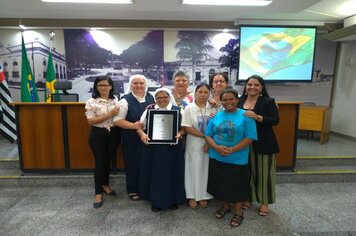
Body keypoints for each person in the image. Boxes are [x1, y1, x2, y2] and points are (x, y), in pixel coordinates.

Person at [204, 89, 257, 227]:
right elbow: (208, 135)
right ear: (221, 102)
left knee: (236, 187)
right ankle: (225, 206)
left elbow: (250, 137)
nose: (228, 102)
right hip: (217, 156)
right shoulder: (216, 116)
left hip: (237, 159)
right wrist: (216, 148)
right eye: (225, 100)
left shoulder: (246, 116)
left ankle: (239, 213)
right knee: (220, 184)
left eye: (231, 99)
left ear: (237, 99)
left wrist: (232, 149)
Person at [137, 88, 186, 212]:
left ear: (169, 97)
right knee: (156, 174)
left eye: (165, 97)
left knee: (172, 173)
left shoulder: (178, 110)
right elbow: (139, 126)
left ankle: (173, 200)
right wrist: (143, 135)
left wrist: (180, 134)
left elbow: (185, 128)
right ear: (155, 99)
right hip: (154, 149)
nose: (162, 99)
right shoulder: (149, 110)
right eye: (158, 97)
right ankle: (156, 200)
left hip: (172, 148)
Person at [237, 75, 279, 217]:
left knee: (264, 174)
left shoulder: (268, 101)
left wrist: (258, 117)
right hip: (243, 143)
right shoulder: (240, 100)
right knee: (246, 173)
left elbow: (275, 120)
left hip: (264, 143)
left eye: (256, 85)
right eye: (249, 84)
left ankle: (264, 203)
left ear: (261, 87)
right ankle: (248, 199)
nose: (252, 87)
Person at [113, 74, 155, 201]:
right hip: (130, 137)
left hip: (148, 136)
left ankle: (146, 188)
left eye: (141, 83)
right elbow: (117, 121)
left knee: (147, 163)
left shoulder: (151, 97)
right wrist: (133, 126)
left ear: (145, 84)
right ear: (130, 85)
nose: (138, 86)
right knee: (132, 163)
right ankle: (132, 189)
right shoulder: (125, 101)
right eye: (135, 83)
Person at [85, 76, 120, 208]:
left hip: (114, 134)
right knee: (100, 163)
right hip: (98, 135)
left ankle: (105, 185)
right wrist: (109, 114)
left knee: (107, 162)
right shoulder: (91, 102)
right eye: (100, 85)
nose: (103, 88)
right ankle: (98, 193)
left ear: (111, 86)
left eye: (106, 85)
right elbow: (91, 121)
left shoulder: (115, 100)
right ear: (96, 87)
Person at [181, 83, 216, 209]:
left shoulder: (214, 108)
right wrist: (205, 137)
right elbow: (187, 127)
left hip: (210, 144)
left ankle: (204, 195)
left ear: (209, 94)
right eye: (200, 92)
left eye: (206, 92)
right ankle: (192, 196)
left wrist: (208, 142)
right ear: (195, 93)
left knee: (205, 169)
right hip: (194, 144)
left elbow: (218, 126)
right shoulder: (189, 108)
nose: (203, 94)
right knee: (192, 169)